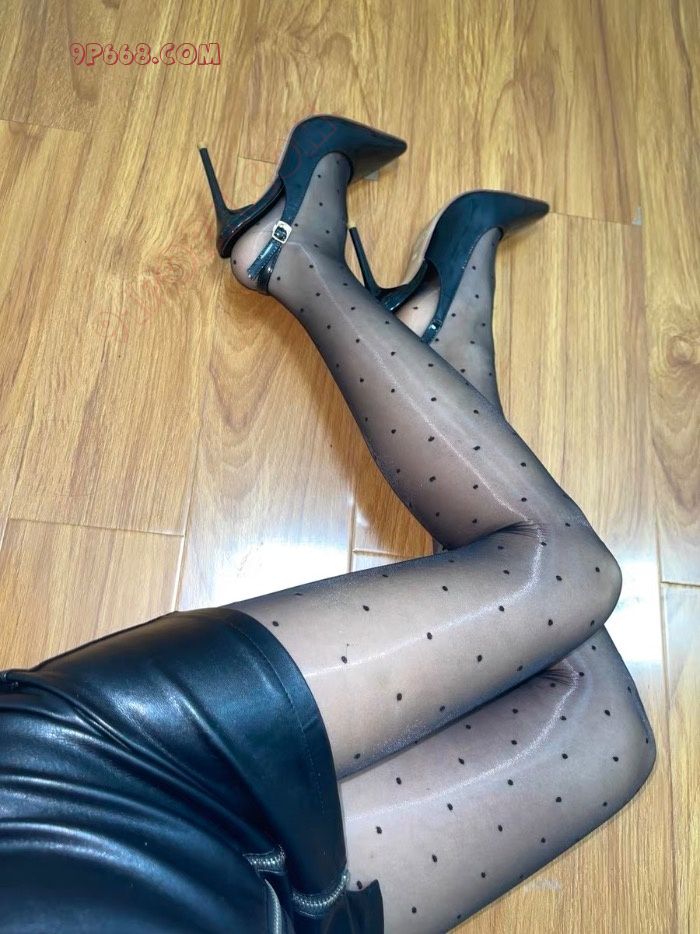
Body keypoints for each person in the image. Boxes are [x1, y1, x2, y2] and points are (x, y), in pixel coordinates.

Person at [0, 116, 654, 933]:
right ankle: (439, 351)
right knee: (605, 737)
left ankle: (297, 254)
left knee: (565, 574)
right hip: (256, 918)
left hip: (80, 812)